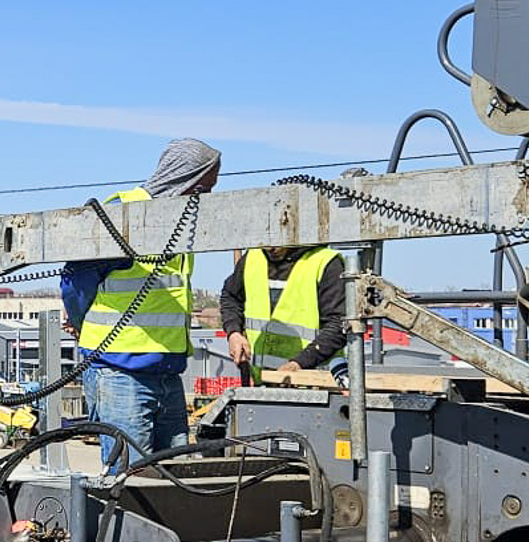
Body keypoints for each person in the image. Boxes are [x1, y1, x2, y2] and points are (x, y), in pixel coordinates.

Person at [61, 138, 222, 470]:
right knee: (131, 479)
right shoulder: (123, 214)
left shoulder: (181, 227)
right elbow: (76, 284)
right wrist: (81, 325)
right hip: (120, 371)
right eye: (203, 188)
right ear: (183, 179)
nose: (206, 198)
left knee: (175, 475)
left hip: (166, 373)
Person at [219, 245, 345, 384]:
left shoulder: (325, 262)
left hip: (314, 384)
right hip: (262, 384)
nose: (271, 249)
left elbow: (339, 323)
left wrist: (299, 363)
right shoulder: (253, 257)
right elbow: (230, 297)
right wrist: (234, 332)